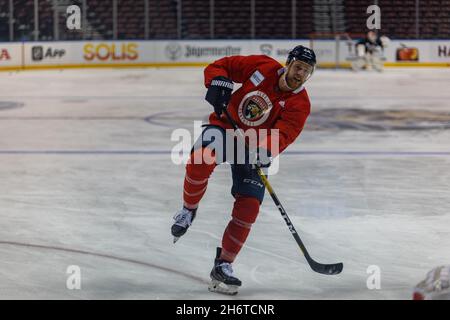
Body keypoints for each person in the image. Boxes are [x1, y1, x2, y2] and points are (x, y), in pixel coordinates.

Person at [171, 45, 316, 294]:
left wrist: (264, 150)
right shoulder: (263, 67)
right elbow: (223, 66)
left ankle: (224, 265)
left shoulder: (300, 103)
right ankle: (188, 210)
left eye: (307, 71)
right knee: (200, 160)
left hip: (254, 149)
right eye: (298, 67)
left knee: (249, 207)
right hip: (226, 128)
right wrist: (218, 83)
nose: (301, 74)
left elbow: (284, 133)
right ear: (288, 63)